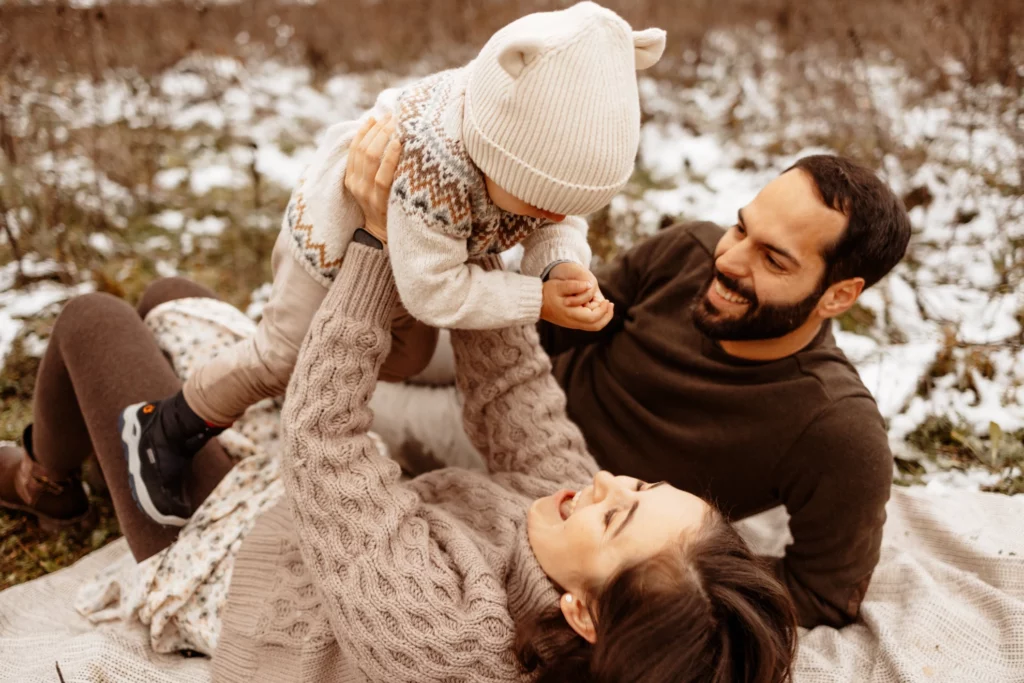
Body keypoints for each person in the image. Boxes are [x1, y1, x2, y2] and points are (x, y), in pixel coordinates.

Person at [0, 120, 798, 682]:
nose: (607, 483)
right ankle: (109, 452)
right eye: (644, 486)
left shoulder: (452, 644)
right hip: (318, 510)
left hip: (233, 554)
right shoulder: (568, 525)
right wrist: (486, 228)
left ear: (584, 617)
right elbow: (517, 396)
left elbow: (325, 447)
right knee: (175, 298)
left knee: (94, 320)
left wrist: (391, 237)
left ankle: (48, 482)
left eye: (619, 514)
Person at [118, 1, 665, 528]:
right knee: (280, 357)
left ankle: (307, 377)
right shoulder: (436, 162)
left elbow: (556, 222)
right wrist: (534, 301)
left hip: (412, 263)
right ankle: (165, 426)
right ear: (493, 149)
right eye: (538, 201)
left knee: (407, 354)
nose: (550, 214)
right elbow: (434, 294)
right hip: (333, 254)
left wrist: (559, 266)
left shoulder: (530, 154)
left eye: (563, 205)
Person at [537, 154, 913, 628]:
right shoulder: (686, 250)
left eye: (773, 259)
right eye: (740, 229)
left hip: (559, 487)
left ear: (837, 295)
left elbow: (824, 594)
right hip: (530, 386)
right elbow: (552, 330)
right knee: (417, 335)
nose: (727, 260)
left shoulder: (837, 431)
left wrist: (668, 576)